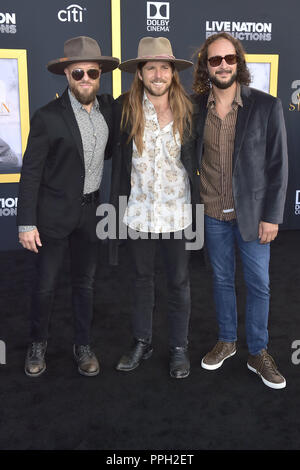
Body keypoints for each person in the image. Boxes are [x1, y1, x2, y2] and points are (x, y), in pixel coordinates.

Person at [17, 36, 119, 377]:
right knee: (45, 285)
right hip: (52, 216)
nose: (86, 78)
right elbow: (31, 172)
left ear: (100, 74)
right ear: (66, 74)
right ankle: (38, 343)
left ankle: (83, 344)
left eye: (92, 72)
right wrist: (25, 222)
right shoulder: (47, 117)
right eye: (78, 73)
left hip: (91, 214)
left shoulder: (108, 109)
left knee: (85, 284)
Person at [192, 32, 288, 389]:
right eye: (215, 60)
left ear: (239, 63)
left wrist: (272, 215)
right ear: (206, 66)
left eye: (229, 59)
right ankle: (228, 340)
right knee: (220, 280)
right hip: (213, 212)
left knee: (259, 284)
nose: (223, 65)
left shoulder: (266, 106)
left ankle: (258, 351)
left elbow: (278, 166)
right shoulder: (195, 108)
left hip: (253, 215)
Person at [110, 36, 200, 379]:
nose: (159, 74)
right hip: (138, 213)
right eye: (151, 68)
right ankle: (142, 341)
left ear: (173, 73)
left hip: (178, 213)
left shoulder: (190, 109)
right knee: (140, 280)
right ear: (141, 73)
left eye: (165, 67)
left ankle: (179, 347)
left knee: (179, 282)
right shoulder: (123, 108)